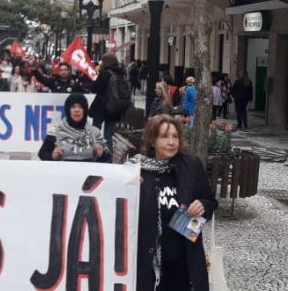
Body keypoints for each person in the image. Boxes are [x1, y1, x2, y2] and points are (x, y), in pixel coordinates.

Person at [132, 115, 218, 291]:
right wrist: (131, 188)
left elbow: (210, 201)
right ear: (152, 141)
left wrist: (203, 205)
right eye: (164, 136)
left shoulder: (190, 165)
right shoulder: (137, 170)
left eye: (175, 136)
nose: (171, 142)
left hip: (183, 259)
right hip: (148, 261)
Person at [38, 93, 109, 162]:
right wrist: (52, 155)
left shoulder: (95, 132)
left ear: (85, 110)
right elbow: (42, 154)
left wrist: (101, 154)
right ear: (68, 110)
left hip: (88, 172)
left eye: (80, 107)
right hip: (62, 172)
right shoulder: (56, 130)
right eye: (73, 107)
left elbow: (108, 157)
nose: (77, 110)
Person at [88, 53, 130, 152]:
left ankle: (94, 153)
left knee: (95, 132)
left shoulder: (106, 73)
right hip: (115, 108)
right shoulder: (122, 73)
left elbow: (94, 88)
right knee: (108, 135)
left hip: (102, 107)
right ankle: (109, 156)